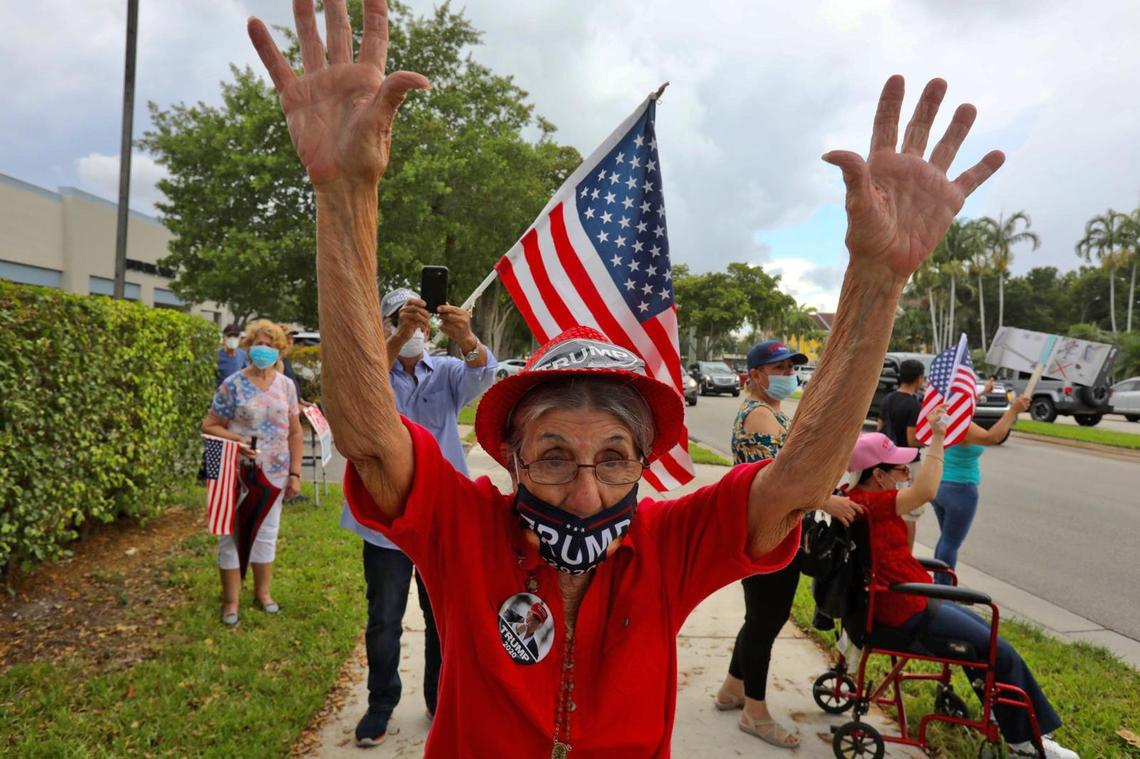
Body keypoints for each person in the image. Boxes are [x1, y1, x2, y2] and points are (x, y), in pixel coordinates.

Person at [246, 1, 1006, 752]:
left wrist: (875, 281)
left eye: (613, 457)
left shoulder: (668, 544)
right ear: (510, 458)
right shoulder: (465, 526)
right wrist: (343, 197)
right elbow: (371, 441)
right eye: (552, 456)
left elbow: (799, 481)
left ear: (644, 461)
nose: (585, 492)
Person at [843, 425, 1077, 759]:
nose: (906, 472)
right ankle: (1024, 745)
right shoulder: (872, 503)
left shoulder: (857, 498)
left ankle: (1010, 718)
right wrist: (938, 437)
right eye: (899, 468)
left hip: (910, 599)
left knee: (984, 641)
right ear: (878, 475)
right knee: (999, 649)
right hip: (904, 607)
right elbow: (926, 491)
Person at [340, 287, 497, 746]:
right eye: (400, 319)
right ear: (385, 324)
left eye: (419, 321)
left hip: (439, 519)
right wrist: (396, 336)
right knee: (384, 618)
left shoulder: (446, 372)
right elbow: (356, 391)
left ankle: (439, 696)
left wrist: (466, 338)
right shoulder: (373, 373)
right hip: (384, 521)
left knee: (442, 615)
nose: (413, 329)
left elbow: (483, 374)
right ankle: (380, 703)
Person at [716, 340, 864, 749]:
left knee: (759, 617)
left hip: (777, 529)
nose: (787, 376)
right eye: (778, 369)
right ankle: (755, 712)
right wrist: (826, 500)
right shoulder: (760, 417)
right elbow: (783, 483)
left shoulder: (774, 413)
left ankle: (732, 689)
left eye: (790, 368)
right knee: (766, 622)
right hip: (769, 533)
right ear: (756, 375)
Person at [201, 319, 303, 626]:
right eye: (259, 343)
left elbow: (295, 433)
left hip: (274, 473)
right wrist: (238, 440)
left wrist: (295, 473)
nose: (264, 350)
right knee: (232, 536)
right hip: (235, 473)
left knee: (266, 534)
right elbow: (210, 425)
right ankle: (230, 601)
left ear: (279, 351)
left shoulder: (286, 386)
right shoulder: (232, 384)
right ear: (249, 346)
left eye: (271, 346)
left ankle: (263, 593)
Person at [931, 393, 1031, 580]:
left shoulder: (943, 419)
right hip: (961, 488)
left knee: (946, 538)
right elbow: (992, 437)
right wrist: (1013, 411)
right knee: (951, 542)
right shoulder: (963, 427)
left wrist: (984, 392)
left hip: (940, 485)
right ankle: (943, 589)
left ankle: (938, 582)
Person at [877, 358, 928, 547]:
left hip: (887, 462)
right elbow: (912, 440)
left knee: (890, 509)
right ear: (919, 378)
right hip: (907, 463)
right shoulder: (913, 405)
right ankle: (905, 553)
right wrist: (931, 440)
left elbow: (879, 428)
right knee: (909, 513)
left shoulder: (888, 399)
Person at [216, 323, 250, 387]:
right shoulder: (215, 356)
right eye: (229, 336)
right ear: (224, 338)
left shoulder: (243, 355)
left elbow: (247, 374)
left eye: (235, 336)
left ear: (239, 338)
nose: (232, 339)